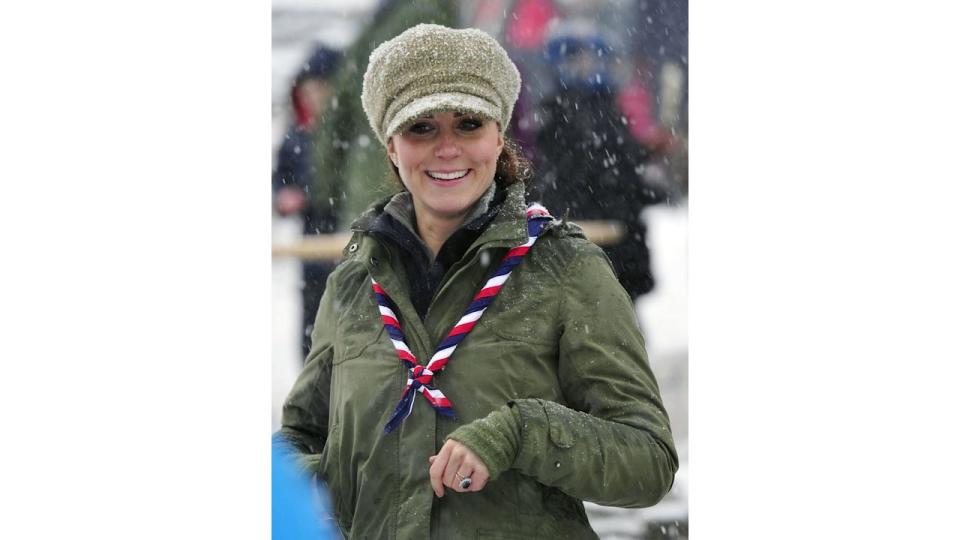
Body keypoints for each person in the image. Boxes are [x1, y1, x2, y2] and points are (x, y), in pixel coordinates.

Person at [278, 24, 677, 539]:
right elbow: (298, 440)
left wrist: (523, 433)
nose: (448, 149)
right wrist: (335, 482)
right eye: (421, 127)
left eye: (468, 124)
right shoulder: (355, 281)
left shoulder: (566, 269)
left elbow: (648, 461)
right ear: (391, 147)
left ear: (498, 137)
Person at [272, 44, 342, 359]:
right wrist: (283, 197)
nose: (313, 97)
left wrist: (310, 194)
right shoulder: (295, 135)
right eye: (308, 90)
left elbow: (340, 182)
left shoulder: (344, 133)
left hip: (341, 232)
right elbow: (280, 177)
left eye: (320, 89)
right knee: (312, 316)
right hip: (310, 238)